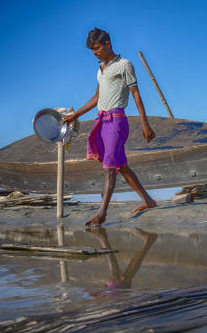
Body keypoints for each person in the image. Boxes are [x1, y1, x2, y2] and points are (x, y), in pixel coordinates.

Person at [63, 28, 157, 226]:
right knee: (120, 166)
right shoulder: (101, 69)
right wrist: (75, 115)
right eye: (92, 50)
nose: (94, 52)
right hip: (102, 122)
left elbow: (136, 95)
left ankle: (102, 213)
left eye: (97, 48)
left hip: (116, 120)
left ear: (107, 44)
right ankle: (148, 201)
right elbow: (96, 97)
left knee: (109, 169)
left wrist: (144, 123)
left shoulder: (125, 65)